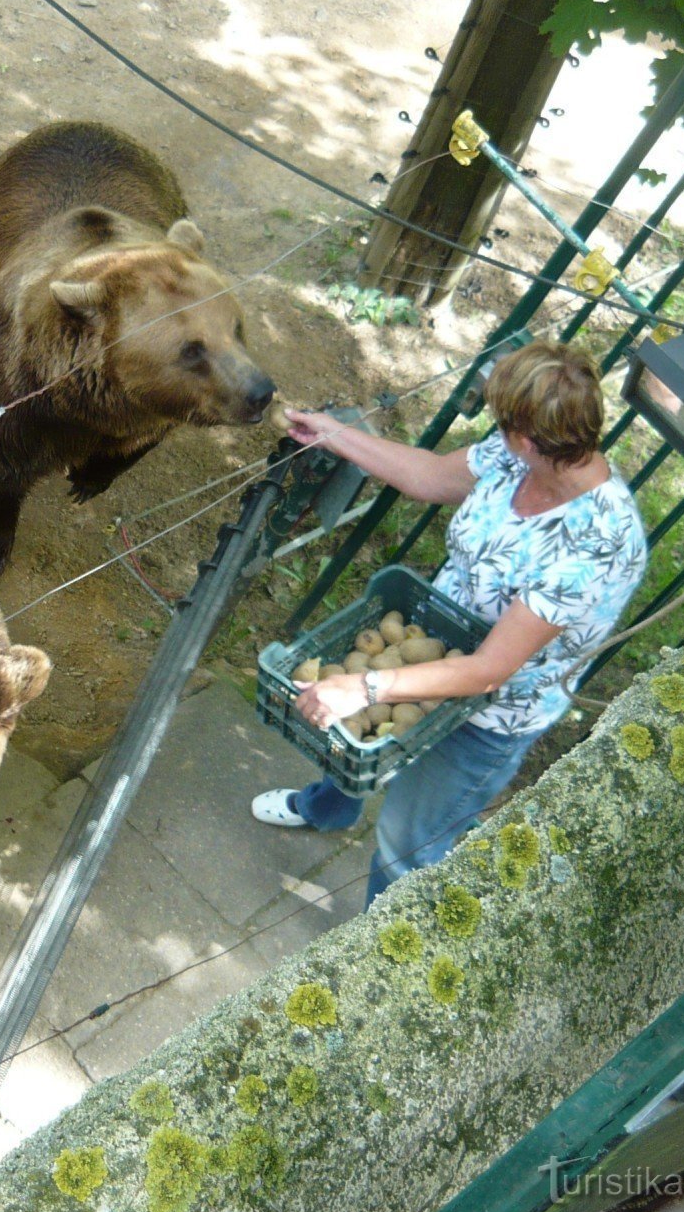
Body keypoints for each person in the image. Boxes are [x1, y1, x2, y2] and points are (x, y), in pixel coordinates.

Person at [253, 340, 648, 905]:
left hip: (488, 712)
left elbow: (488, 671)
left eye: (504, 425)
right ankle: (326, 810)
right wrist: (336, 436)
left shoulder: (596, 546)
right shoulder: (521, 455)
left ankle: (374, 949)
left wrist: (365, 685)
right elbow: (434, 477)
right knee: (354, 745)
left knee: (405, 845)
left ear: (531, 438)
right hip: (430, 645)